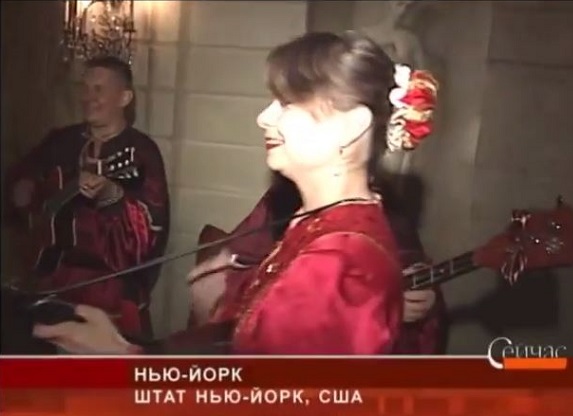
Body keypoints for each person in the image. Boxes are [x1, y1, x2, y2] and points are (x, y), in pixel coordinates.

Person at [33, 31, 439, 354]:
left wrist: (125, 364)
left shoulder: (337, 266)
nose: (264, 116)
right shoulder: (320, 223)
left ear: (351, 127)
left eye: (287, 102)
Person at [188, 172, 447, 354]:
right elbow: (239, 258)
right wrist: (218, 294)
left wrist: (423, 303)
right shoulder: (284, 195)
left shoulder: (380, 209)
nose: (267, 119)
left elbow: (409, 267)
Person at [4, 56, 170, 339]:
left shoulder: (140, 152)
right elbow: (22, 175)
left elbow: (150, 228)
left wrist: (111, 195)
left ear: (124, 97)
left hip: (108, 287)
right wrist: (23, 191)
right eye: (85, 87)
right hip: (50, 276)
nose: (88, 97)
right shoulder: (62, 140)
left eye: (99, 89)